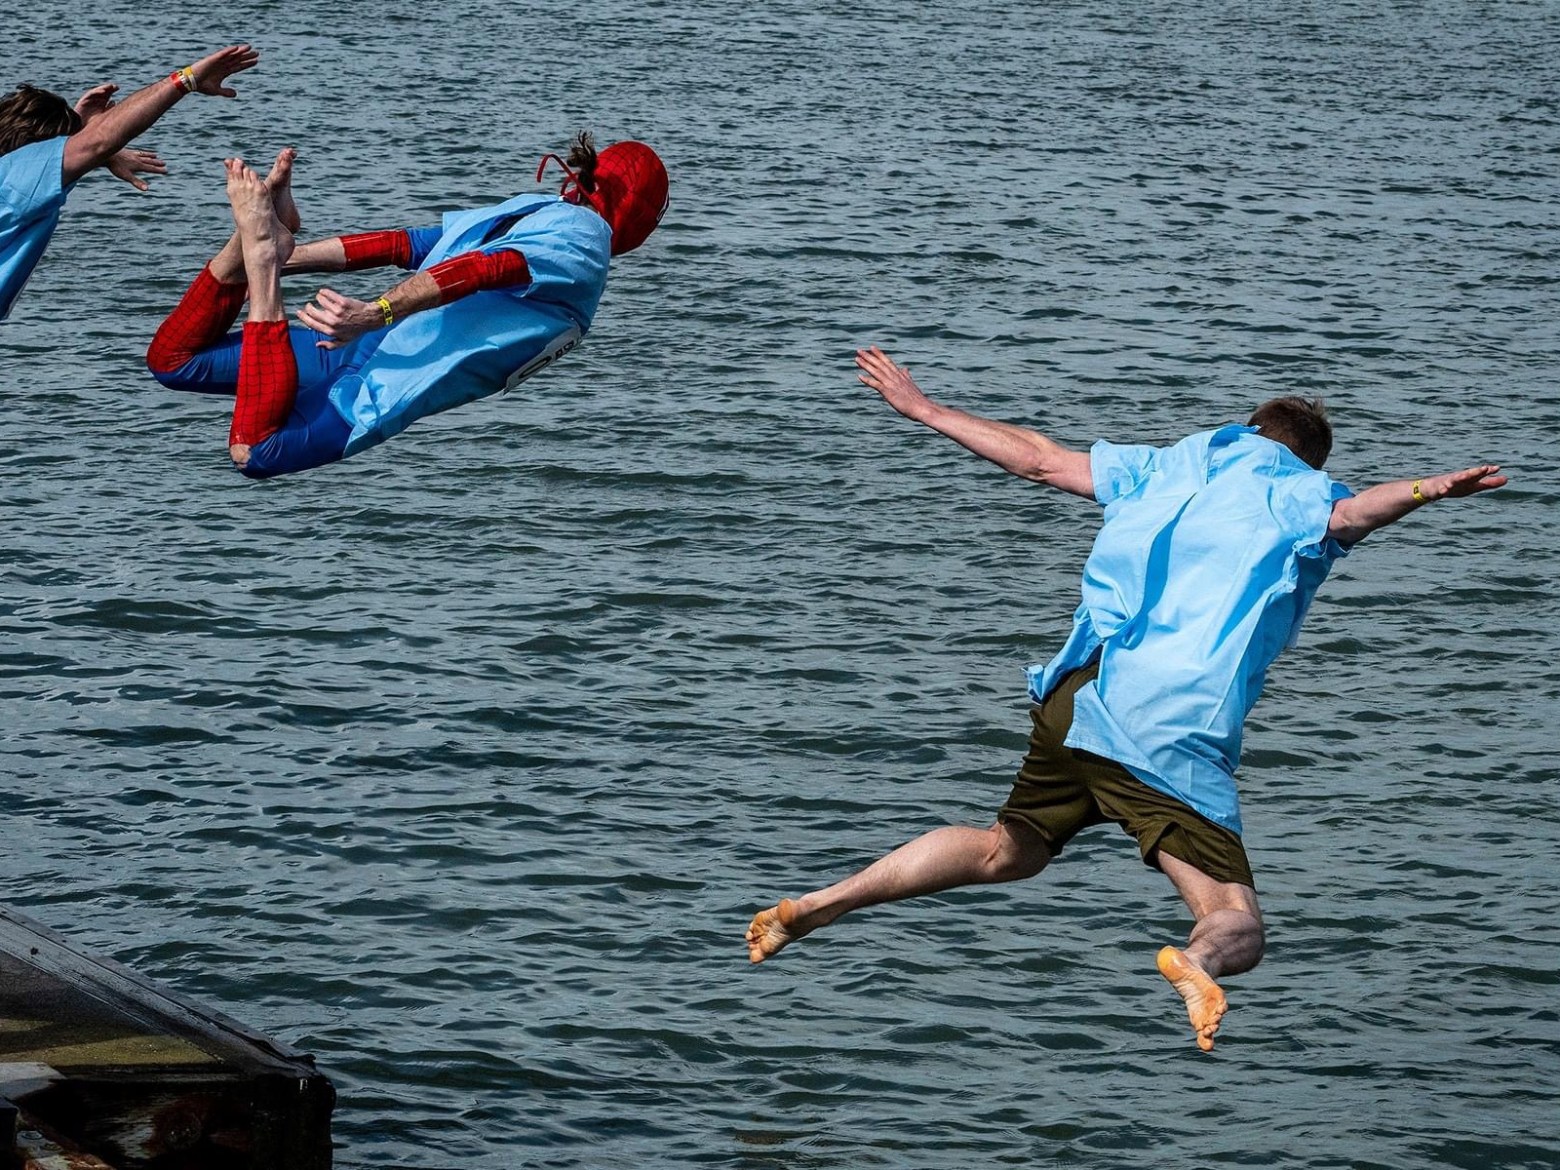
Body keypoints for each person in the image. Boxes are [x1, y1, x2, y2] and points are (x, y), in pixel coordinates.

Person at [745, 345, 1506, 1053]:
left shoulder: (1166, 466)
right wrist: (1424, 489)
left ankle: (822, 903)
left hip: (1079, 695)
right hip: (1166, 727)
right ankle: (1198, 963)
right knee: (1234, 919)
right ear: (1309, 460)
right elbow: (1353, 514)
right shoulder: (1302, 496)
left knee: (1008, 849)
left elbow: (1040, 461)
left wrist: (927, 408)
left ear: (1247, 430)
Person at [144, 131, 668, 479]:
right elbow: (482, 270)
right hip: (374, 387)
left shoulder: (537, 210)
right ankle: (257, 255)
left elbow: (409, 245)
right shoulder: (586, 246)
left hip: (344, 349)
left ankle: (256, 248)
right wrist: (376, 312)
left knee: (173, 361)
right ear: (637, 224)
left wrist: (292, 257)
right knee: (256, 453)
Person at [0, 45, 259, 321]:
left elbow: (78, 154)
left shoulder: (15, 181)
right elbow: (98, 142)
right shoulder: (16, 179)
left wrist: (84, 137)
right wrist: (188, 79)